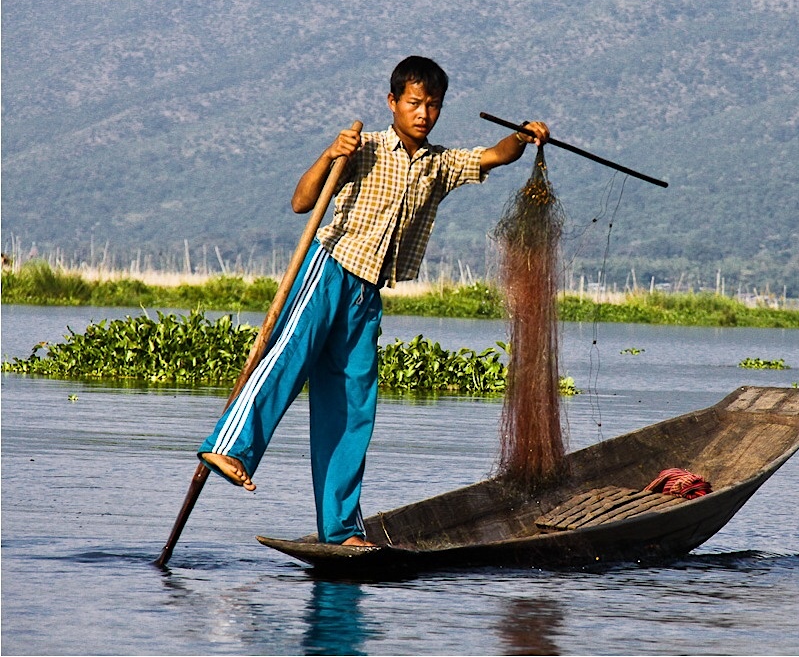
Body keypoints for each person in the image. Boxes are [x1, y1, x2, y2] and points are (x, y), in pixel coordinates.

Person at [197, 56, 549, 546]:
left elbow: (493, 155)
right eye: (414, 103)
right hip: (329, 269)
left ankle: (340, 529)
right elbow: (302, 203)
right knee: (287, 358)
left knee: (353, 405)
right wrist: (328, 155)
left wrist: (524, 136)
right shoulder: (364, 150)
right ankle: (230, 446)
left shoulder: (441, 165)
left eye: (433, 105)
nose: (423, 113)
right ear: (393, 103)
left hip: (367, 294)